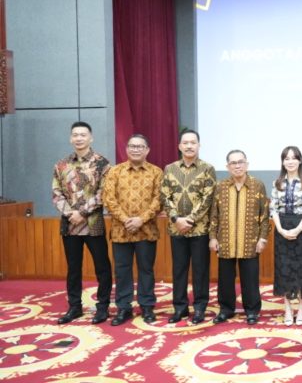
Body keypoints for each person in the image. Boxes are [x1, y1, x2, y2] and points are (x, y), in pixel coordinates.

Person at [52, 121, 112, 324]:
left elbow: (104, 193)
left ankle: (102, 307)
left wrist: (82, 213)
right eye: (75, 135)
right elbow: (56, 194)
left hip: (93, 224)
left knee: (102, 267)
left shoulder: (102, 163)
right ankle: (74, 307)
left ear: (90, 138)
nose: (79, 138)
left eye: (83, 135)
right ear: (71, 138)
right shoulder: (61, 165)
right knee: (73, 269)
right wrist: (71, 214)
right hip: (69, 225)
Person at [103, 134, 163, 326]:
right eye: (132, 146)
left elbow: (159, 200)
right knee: (122, 271)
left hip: (147, 230)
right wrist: (126, 220)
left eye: (140, 146)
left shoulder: (156, 172)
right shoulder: (115, 171)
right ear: (127, 149)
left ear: (147, 150)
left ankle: (147, 306)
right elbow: (108, 199)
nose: (135, 149)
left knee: (146, 270)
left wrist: (141, 220)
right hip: (121, 230)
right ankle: (124, 308)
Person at [161, 129, 216, 324]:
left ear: (199, 145)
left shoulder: (207, 169)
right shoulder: (169, 169)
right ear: (180, 146)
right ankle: (180, 308)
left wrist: (190, 219)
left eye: (193, 142)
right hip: (176, 228)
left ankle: (200, 308)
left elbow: (208, 198)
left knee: (200, 271)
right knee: (179, 270)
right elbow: (165, 196)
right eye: (186, 143)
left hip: (199, 229)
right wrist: (176, 219)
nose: (189, 146)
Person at [209, 150, 269, 325]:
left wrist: (262, 238)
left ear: (247, 165)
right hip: (225, 240)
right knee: (225, 279)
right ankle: (226, 309)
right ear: (227, 167)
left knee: (250, 278)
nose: (237, 166)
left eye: (240, 162)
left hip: (250, 240)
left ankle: (252, 311)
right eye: (233, 163)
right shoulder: (221, 186)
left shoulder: (257, 185)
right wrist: (213, 237)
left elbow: (265, 214)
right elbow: (214, 214)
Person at [270, 146, 302, 326]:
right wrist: (281, 230)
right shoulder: (277, 182)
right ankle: (288, 308)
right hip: (281, 227)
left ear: (300, 160)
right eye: (286, 158)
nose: (290, 161)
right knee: (284, 269)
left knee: (300, 269)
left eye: (293, 158)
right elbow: (273, 209)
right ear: (282, 162)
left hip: (301, 227)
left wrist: (297, 230)